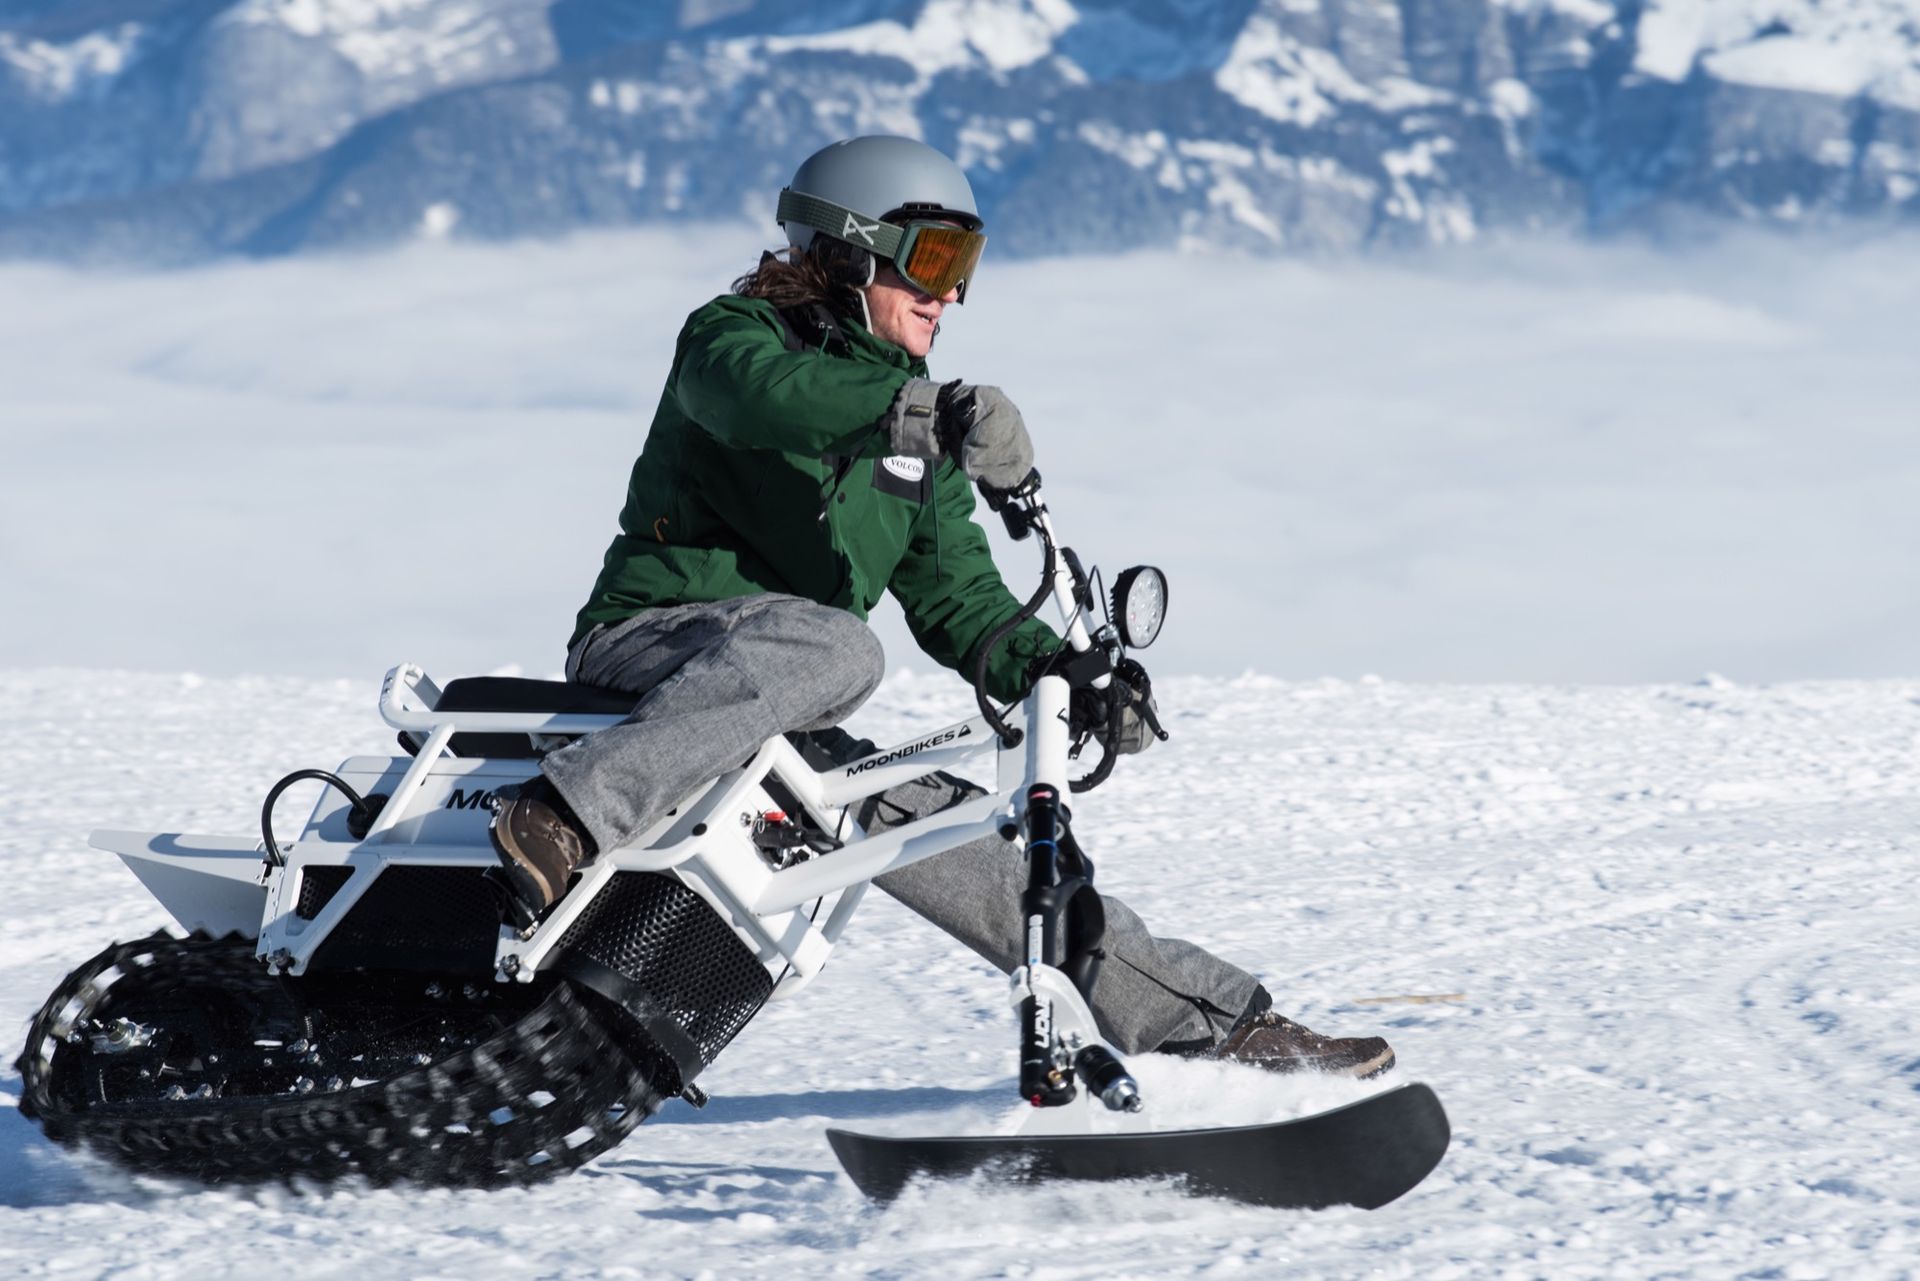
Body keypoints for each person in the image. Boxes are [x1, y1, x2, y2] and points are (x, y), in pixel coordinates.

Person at [489, 135, 1393, 1078]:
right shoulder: (731, 340)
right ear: (848, 254)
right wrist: (924, 415)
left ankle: (1214, 1026)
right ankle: (561, 816)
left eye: (965, 267)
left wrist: (1063, 675)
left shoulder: (911, 431)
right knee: (842, 649)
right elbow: (765, 400)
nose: (949, 294)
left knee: (947, 829)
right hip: (650, 649)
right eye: (931, 261)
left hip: (776, 712)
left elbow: (962, 599)